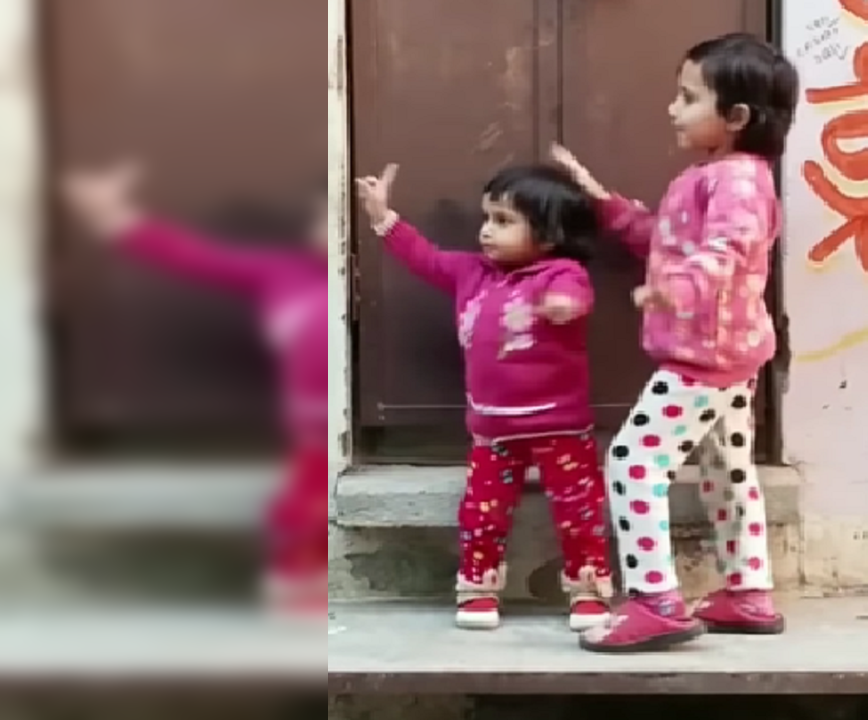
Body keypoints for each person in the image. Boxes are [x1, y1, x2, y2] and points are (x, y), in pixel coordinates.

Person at [552, 32, 799, 652]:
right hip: (730, 354)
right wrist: (603, 201)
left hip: (703, 359)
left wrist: (677, 289)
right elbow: (665, 236)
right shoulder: (713, 175)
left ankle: (656, 601)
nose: (673, 108)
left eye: (689, 97)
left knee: (633, 463)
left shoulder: (739, 182)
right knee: (726, 471)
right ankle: (747, 593)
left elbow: (728, 250)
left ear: (736, 117)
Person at [354, 162, 613, 631]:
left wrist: (564, 308)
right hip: (493, 427)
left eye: (503, 220)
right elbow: (424, 257)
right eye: (487, 218)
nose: (486, 231)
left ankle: (589, 591)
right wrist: (382, 218)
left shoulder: (562, 272)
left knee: (578, 510)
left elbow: (577, 298)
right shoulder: (471, 271)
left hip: (561, 426)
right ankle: (477, 588)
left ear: (549, 235)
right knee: (482, 512)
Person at [60, 161, 328, 613]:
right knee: (297, 520)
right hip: (308, 440)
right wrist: (114, 216)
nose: (330, 229)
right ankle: (295, 614)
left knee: (317, 517)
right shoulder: (281, 272)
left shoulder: (379, 275)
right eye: (324, 216)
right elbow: (192, 257)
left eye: (342, 218)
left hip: (353, 443)